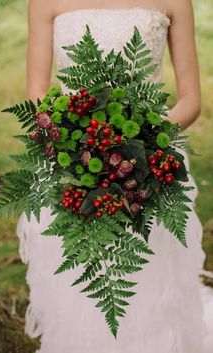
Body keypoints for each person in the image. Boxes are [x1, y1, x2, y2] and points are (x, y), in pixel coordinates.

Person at [17, 1, 212, 352]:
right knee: (78, 288)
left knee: (148, 284)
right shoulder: (45, 2)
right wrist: (74, 143)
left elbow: (191, 98)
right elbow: (36, 97)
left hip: (148, 165)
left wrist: (144, 142)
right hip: (73, 162)